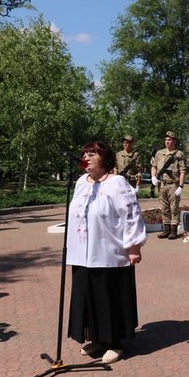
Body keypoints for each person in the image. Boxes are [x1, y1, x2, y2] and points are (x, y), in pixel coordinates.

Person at [66, 140, 147, 364]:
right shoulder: (82, 182)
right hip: (83, 253)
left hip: (110, 253)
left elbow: (131, 215)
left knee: (108, 298)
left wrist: (134, 247)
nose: (87, 158)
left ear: (105, 158)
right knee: (88, 298)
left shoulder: (117, 183)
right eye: (85, 154)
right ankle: (98, 339)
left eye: (93, 154)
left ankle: (114, 343)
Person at [151, 131, 187, 239]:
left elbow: (182, 171)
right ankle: (166, 230)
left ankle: (173, 230)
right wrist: (153, 177)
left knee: (174, 208)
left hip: (173, 185)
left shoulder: (179, 154)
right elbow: (154, 166)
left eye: (170, 140)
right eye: (166, 140)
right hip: (162, 184)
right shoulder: (159, 153)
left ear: (174, 141)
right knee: (164, 208)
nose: (167, 142)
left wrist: (180, 186)